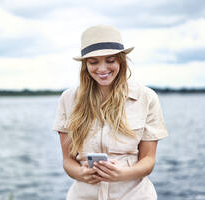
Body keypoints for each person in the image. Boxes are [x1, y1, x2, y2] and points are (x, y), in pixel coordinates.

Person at [52, 25, 168, 200]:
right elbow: (68, 161)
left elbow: (148, 160)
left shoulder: (146, 97)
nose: (102, 69)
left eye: (110, 60)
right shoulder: (68, 99)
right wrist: (81, 173)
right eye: (93, 62)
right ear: (85, 65)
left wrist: (121, 174)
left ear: (121, 60)